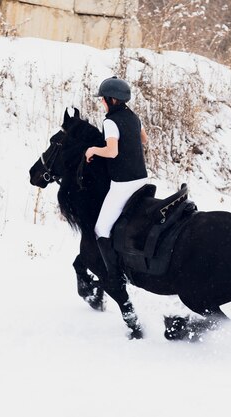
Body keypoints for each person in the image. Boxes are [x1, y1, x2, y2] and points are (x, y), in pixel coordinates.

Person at [85, 76, 148, 305]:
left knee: (101, 228)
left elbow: (111, 152)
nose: (102, 102)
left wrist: (92, 149)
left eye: (103, 99)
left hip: (123, 184)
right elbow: (144, 139)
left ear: (111, 100)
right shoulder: (134, 117)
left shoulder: (110, 121)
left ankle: (115, 275)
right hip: (142, 180)